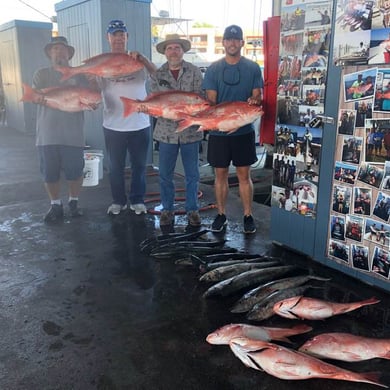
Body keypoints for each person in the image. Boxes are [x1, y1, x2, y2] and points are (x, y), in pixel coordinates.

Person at [202, 25, 263, 234]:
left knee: (244, 175)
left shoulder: (253, 68)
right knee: (220, 175)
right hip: (219, 130)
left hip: (243, 131)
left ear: (242, 43)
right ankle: (221, 214)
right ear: (223, 43)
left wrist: (255, 100)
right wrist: (219, 119)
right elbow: (210, 101)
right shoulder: (213, 69)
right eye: (229, 39)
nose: (232, 43)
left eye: (236, 40)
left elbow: (258, 97)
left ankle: (248, 215)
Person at [32, 36, 96, 223]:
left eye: (62, 49)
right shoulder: (41, 73)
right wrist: (44, 98)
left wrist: (93, 84)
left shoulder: (81, 75)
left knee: (75, 171)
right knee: (49, 172)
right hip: (47, 134)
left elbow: (93, 99)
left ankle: (74, 203)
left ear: (69, 53)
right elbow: (36, 96)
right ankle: (55, 205)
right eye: (55, 49)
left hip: (74, 134)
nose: (59, 52)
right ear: (50, 53)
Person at [98, 20, 156, 216]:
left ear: (127, 37)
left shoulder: (137, 60)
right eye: (114, 34)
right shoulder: (102, 61)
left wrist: (144, 59)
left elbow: (157, 75)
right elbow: (94, 90)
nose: (118, 38)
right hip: (113, 124)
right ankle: (118, 201)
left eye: (121, 34)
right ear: (108, 38)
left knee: (139, 166)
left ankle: (137, 200)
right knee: (115, 167)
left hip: (139, 123)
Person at [148, 34, 204, 228]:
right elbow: (154, 100)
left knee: (192, 174)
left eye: (177, 48)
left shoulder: (195, 71)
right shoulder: (157, 74)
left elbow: (200, 99)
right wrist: (152, 108)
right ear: (165, 52)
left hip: (191, 131)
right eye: (170, 48)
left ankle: (192, 210)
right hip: (165, 132)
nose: (173, 51)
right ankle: (167, 210)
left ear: (183, 51)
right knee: (165, 174)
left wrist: (185, 111)